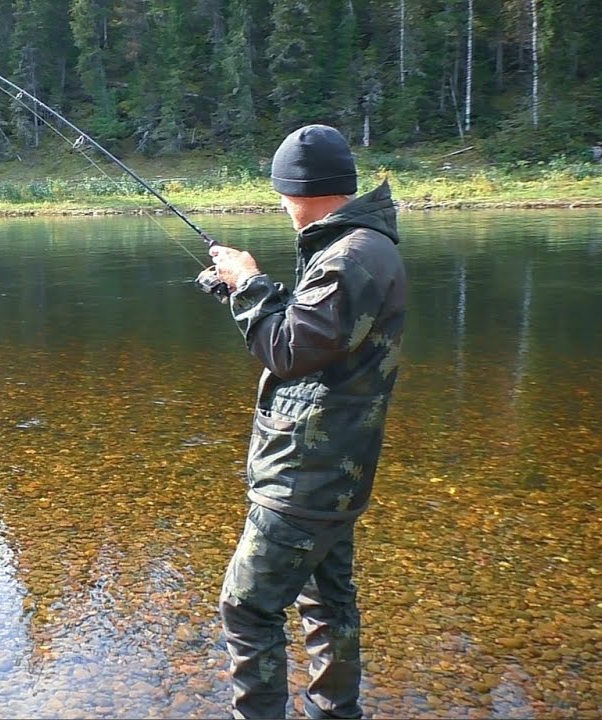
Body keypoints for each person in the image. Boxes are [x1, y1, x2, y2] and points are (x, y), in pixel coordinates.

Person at [206, 124, 407, 719]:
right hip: (335, 468)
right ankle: (336, 712)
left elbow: (289, 349)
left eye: (282, 193)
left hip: (307, 473)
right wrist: (241, 296)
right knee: (327, 599)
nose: (283, 206)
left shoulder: (349, 258)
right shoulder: (362, 246)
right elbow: (316, 339)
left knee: (247, 607)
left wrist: (249, 283)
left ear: (303, 191)